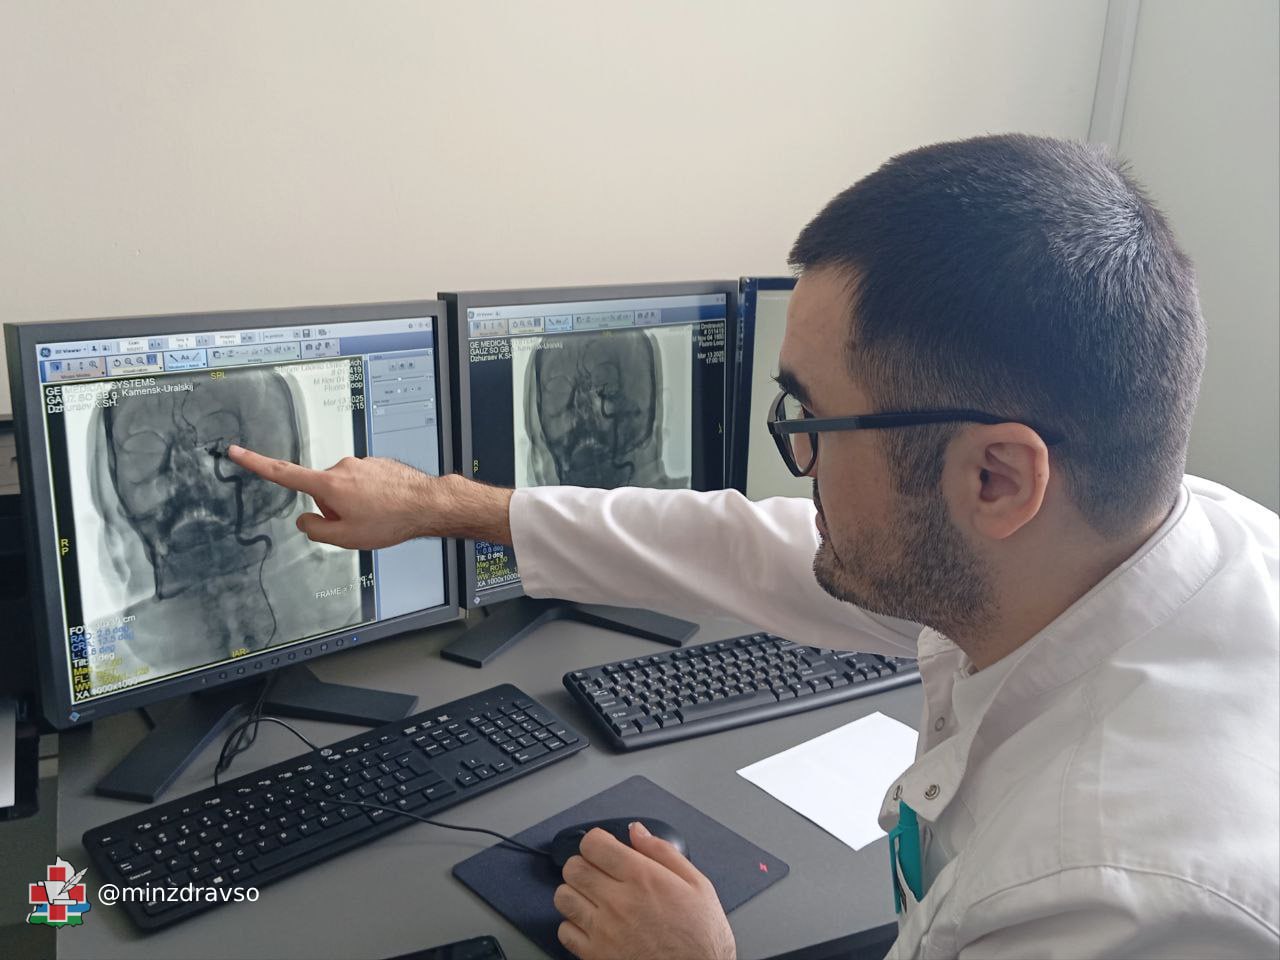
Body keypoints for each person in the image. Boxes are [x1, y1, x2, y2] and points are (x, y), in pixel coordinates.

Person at [228, 134, 1279, 959]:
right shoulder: (1139, 539)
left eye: (811, 421)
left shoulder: (1121, 903)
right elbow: (751, 547)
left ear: (993, 479)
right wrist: (440, 503)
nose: (796, 463)